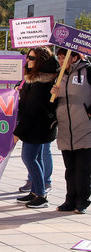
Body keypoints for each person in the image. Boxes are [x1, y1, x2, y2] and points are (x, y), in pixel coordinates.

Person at [14, 47, 59, 208]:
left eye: (32, 58)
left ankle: (41, 194)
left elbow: (33, 109)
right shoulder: (33, 78)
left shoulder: (43, 82)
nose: (28, 60)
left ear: (41, 61)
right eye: (28, 57)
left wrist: (18, 132)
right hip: (34, 125)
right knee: (36, 158)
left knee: (29, 158)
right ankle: (35, 191)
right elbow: (25, 104)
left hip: (38, 126)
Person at [51, 48, 91, 214]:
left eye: (64, 57)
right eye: (59, 57)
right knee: (70, 169)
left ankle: (83, 201)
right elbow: (52, 104)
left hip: (84, 127)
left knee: (83, 169)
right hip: (66, 129)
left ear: (74, 57)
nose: (61, 60)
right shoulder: (59, 76)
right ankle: (70, 199)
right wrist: (53, 95)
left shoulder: (87, 71)